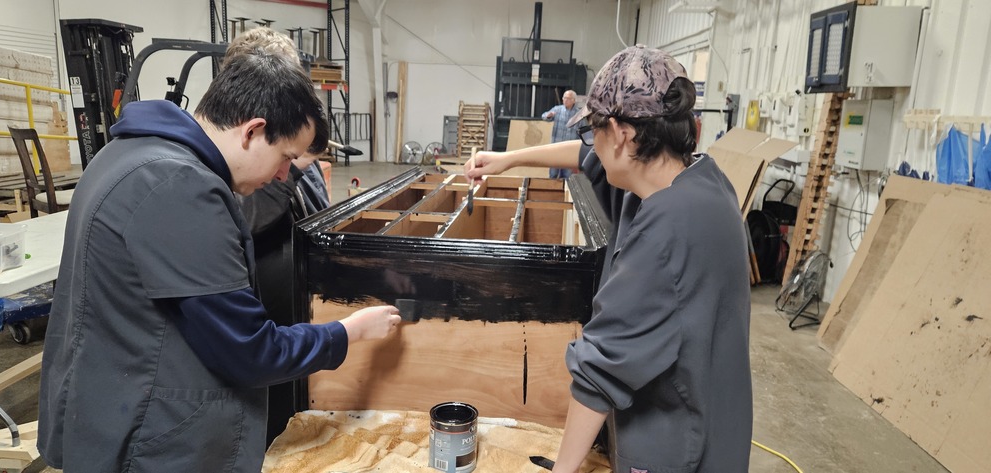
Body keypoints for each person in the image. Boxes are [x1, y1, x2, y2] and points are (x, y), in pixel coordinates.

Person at [37, 39, 401, 472]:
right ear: (251, 130)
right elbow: (250, 352)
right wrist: (348, 332)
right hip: (147, 442)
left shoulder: (126, 154)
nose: (285, 175)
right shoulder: (178, 187)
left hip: (109, 409)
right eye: (285, 158)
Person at [465, 45, 752, 473]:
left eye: (594, 130)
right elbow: (582, 158)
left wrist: (562, 469)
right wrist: (508, 160)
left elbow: (601, 371)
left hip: (676, 445)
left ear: (620, 133)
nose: (590, 145)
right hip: (712, 419)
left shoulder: (669, 229)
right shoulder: (693, 180)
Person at [225, 26, 334, 446]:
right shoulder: (239, 169)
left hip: (295, 322)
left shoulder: (288, 164)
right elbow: (249, 216)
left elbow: (317, 214)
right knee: (272, 428)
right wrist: (295, 165)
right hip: (268, 329)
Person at [541, 89, 581, 179]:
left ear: (574, 100)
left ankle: (565, 191)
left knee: (567, 175)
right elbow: (544, 116)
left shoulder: (578, 114)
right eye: (564, 98)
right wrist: (548, 115)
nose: (565, 100)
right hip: (556, 147)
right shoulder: (557, 110)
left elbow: (583, 129)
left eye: (568, 98)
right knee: (553, 174)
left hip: (570, 149)